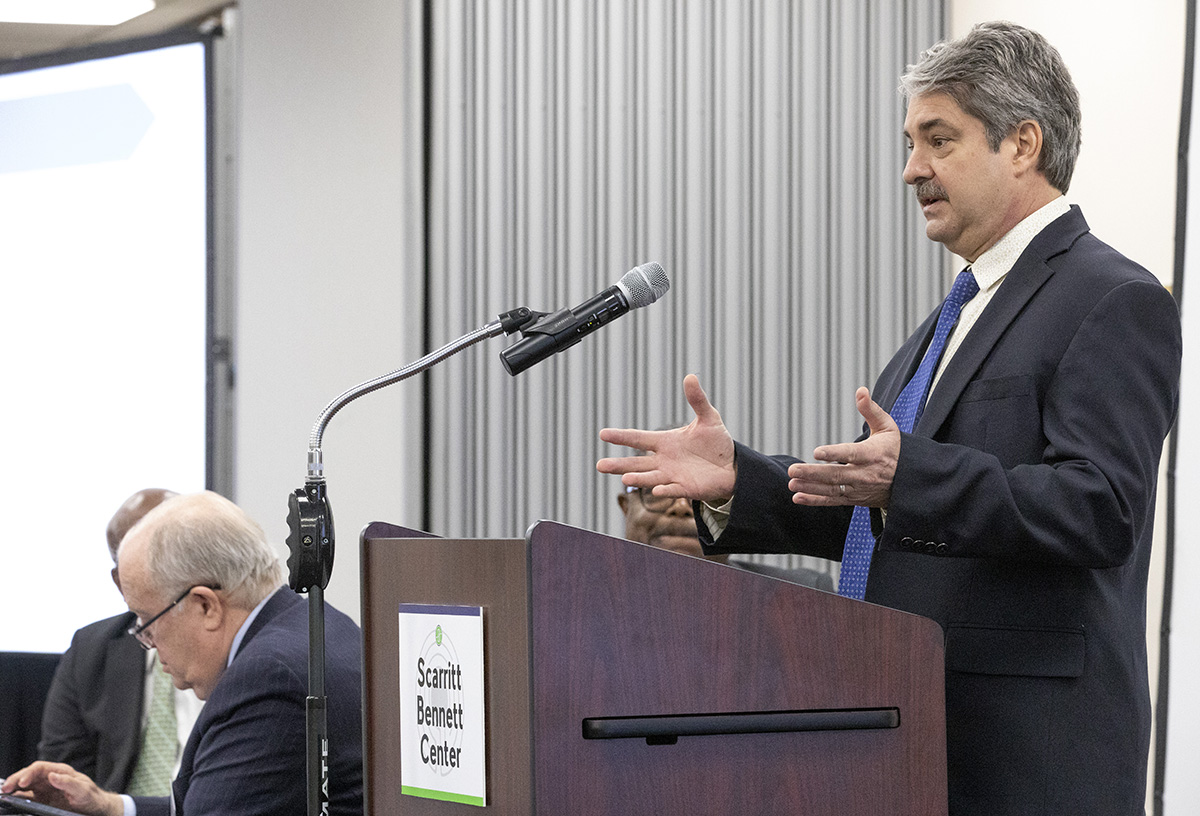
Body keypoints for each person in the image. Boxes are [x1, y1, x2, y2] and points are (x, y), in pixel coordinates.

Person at [597, 21, 1181, 816]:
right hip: (905, 742)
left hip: (1029, 763)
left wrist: (914, 475)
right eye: (911, 143)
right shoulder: (939, 331)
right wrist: (742, 478)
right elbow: (887, 522)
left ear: (1022, 143)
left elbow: (1100, 509)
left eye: (938, 140)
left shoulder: (1112, 299)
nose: (912, 169)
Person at [4, 491, 364, 816]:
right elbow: (213, 798)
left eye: (147, 621)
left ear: (206, 605)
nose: (146, 641)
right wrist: (112, 806)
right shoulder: (321, 626)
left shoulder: (266, 678)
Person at [38, 488, 204, 795]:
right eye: (152, 560)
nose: (174, 571)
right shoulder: (91, 650)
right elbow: (64, 776)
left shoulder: (230, 642)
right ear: (121, 579)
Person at [619, 479, 833, 591]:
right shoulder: (587, 594)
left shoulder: (803, 597)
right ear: (626, 507)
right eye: (657, 491)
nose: (682, 507)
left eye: (704, 493)